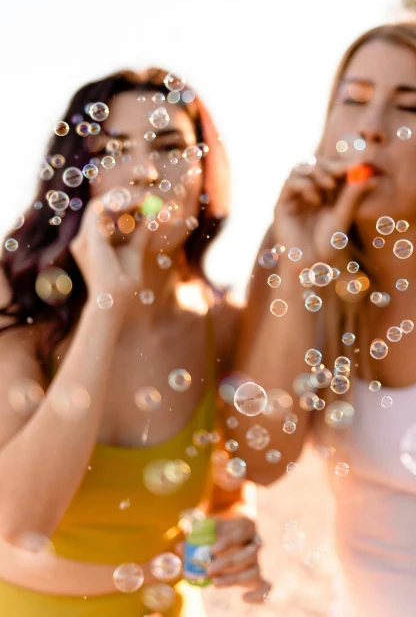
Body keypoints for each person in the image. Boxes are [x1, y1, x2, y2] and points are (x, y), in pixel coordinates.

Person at [234, 22, 416, 616]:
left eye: (408, 107)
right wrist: (299, 268)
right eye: (356, 99)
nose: (372, 127)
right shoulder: (292, 250)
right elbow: (261, 459)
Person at [0, 67, 267, 616]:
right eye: (114, 149)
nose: (145, 171)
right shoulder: (15, 300)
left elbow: (226, 491)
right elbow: (18, 524)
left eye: (170, 147)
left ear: (203, 175)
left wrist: (236, 528)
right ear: (80, 178)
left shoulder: (226, 324)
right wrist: (106, 303)